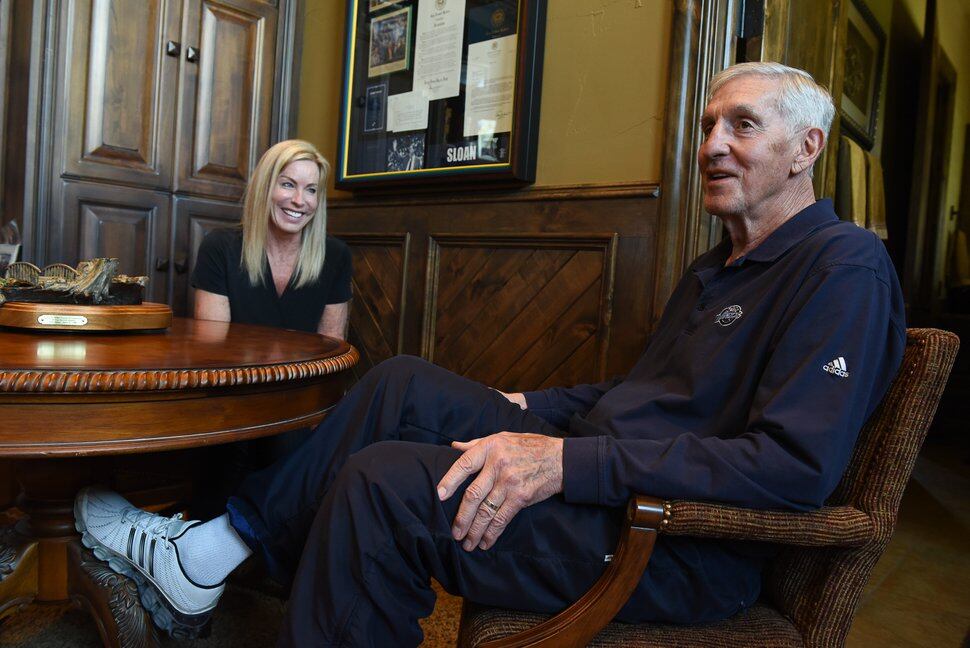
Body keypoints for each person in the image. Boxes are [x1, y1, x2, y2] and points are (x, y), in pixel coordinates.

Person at [74, 62, 906, 646]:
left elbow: (793, 469)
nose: (714, 144)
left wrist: (562, 464)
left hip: (671, 541)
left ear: (808, 149)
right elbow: (642, 395)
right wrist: (531, 411)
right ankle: (218, 550)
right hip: (605, 472)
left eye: (743, 126)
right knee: (401, 384)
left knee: (383, 485)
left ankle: (208, 556)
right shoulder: (714, 268)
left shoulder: (843, 270)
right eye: (708, 125)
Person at [190, 140, 353, 497]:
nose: (300, 201)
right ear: (266, 186)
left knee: (296, 449)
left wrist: (317, 420)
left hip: (297, 403)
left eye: (311, 190)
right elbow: (212, 349)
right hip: (231, 399)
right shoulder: (221, 247)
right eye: (288, 184)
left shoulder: (335, 256)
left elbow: (332, 353)